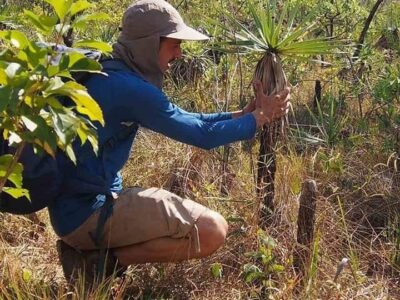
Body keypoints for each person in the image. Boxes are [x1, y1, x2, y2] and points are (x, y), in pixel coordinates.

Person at [52, 0, 290, 284]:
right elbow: (202, 135)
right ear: (150, 44)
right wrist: (261, 118)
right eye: (174, 44)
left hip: (72, 210)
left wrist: (242, 114)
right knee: (211, 230)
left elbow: (187, 118)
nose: (179, 53)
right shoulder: (130, 89)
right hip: (86, 214)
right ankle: (97, 261)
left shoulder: (110, 71)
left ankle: (89, 249)